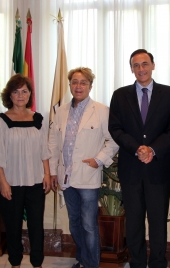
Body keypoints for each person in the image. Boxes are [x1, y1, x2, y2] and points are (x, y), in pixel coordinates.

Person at [108, 49, 170, 268]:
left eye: (145, 64)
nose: (141, 69)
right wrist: (137, 148)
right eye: (136, 65)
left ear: (153, 65)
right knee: (134, 222)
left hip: (158, 168)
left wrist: (153, 150)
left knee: (158, 222)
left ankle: (158, 263)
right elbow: (115, 128)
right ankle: (137, 263)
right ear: (131, 69)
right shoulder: (120, 95)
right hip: (131, 169)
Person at [49, 67, 118, 268]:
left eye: (83, 83)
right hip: (66, 176)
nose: (78, 86)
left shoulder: (102, 110)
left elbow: (113, 140)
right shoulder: (60, 111)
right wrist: (53, 171)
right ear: (70, 85)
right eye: (75, 82)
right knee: (75, 223)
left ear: (90, 86)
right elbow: (53, 143)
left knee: (89, 225)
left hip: (88, 176)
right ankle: (82, 260)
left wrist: (99, 159)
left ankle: (91, 264)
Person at [0, 74, 51, 268]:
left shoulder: (39, 118)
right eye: (16, 91)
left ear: (30, 94)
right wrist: (3, 182)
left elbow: (44, 149)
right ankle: (15, 263)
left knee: (36, 226)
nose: (20, 95)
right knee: (13, 227)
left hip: (35, 181)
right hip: (11, 182)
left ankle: (37, 263)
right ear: (9, 95)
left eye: (24, 91)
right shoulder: (1, 121)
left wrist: (47, 174)